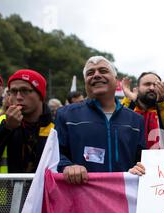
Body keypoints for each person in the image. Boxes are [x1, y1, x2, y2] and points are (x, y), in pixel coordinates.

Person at [55, 56, 145, 184]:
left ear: (116, 80)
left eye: (103, 71)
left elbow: (141, 160)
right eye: (90, 73)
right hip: (82, 197)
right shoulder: (66, 115)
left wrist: (139, 168)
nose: (96, 75)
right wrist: (67, 166)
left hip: (123, 198)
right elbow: (55, 154)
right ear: (85, 82)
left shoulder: (136, 120)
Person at [0, 69, 54, 173]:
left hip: (43, 189)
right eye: (13, 91)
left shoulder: (56, 125)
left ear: (40, 95)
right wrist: (6, 128)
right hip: (9, 188)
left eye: (25, 91)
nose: (18, 97)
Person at [121, 72, 164, 149]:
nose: (152, 88)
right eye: (147, 84)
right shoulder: (128, 109)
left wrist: (163, 104)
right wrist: (130, 101)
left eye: (155, 85)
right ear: (137, 89)